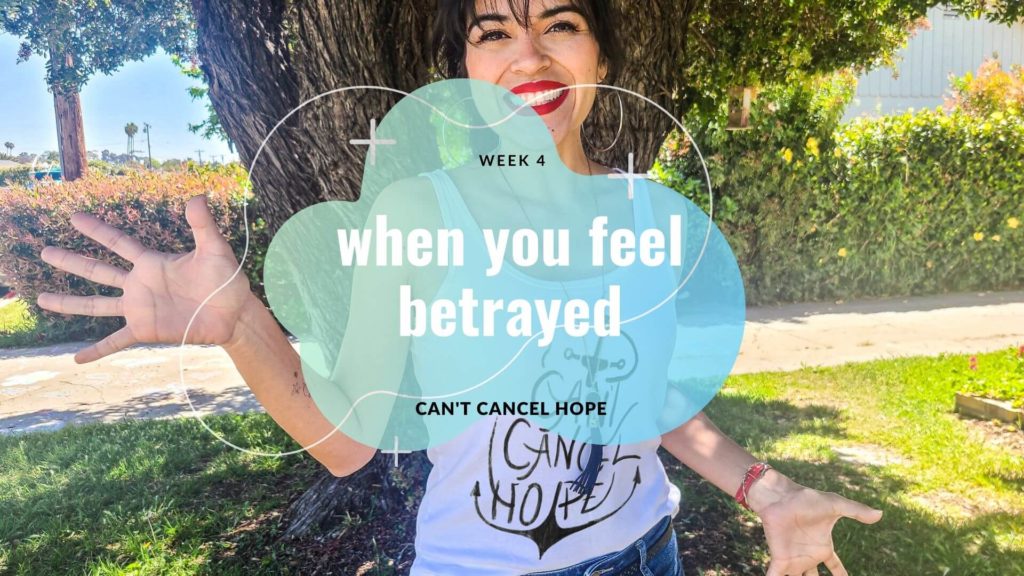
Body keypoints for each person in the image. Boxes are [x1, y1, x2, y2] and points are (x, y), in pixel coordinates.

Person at [36, 1, 883, 574]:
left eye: (560, 23)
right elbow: (349, 442)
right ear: (463, 69)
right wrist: (237, 326)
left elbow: (644, 395)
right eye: (491, 34)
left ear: (602, 54)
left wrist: (764, 487)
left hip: (646, 550)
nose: (529, 56)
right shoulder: (420, 216)